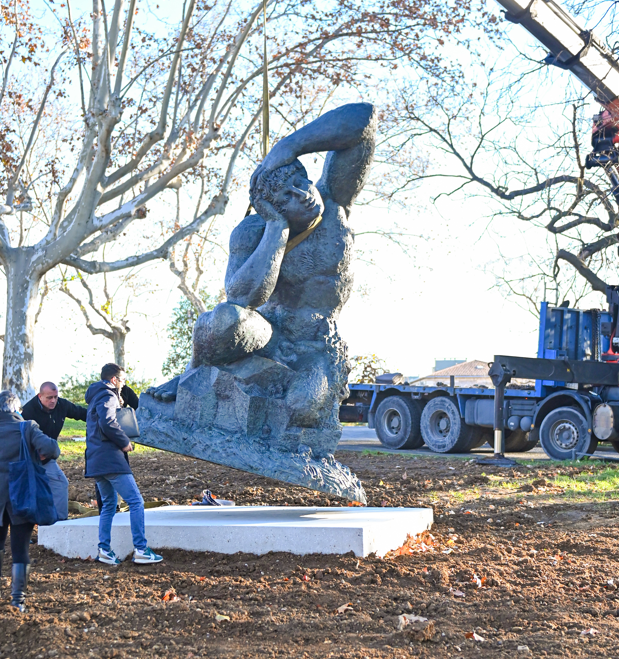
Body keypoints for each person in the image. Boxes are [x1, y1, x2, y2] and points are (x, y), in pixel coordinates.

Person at [85, 363, 162, 565]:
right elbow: (108, 422)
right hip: (111, 460)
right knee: (136, 502)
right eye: (123, 380)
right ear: (113, 380)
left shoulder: (96, 396)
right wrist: (125, 442)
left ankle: (104, 550)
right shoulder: (107, 396)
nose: (124, 384)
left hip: (96, 461)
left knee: (109, 505)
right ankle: (141, 549)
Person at [0, 390, 60, 612]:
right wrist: (38, 455)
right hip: (21, 495)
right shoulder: (27, 427)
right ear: (17, 409)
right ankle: (18, 601)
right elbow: (52, 448)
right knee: (20, 549)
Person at [21, 382, 87, 520]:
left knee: (60, 483)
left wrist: (100, 414)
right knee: (28, 490)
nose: (53, 401)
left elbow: (80, 413)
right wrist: (35, 454)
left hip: (48, 456)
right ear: (40, 396)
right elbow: (20, 437)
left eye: (55, 397)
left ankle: (60, 522)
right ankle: (23, 524)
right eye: (49, 398)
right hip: (28, 458)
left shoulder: (62, 405)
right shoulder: (28, 411)